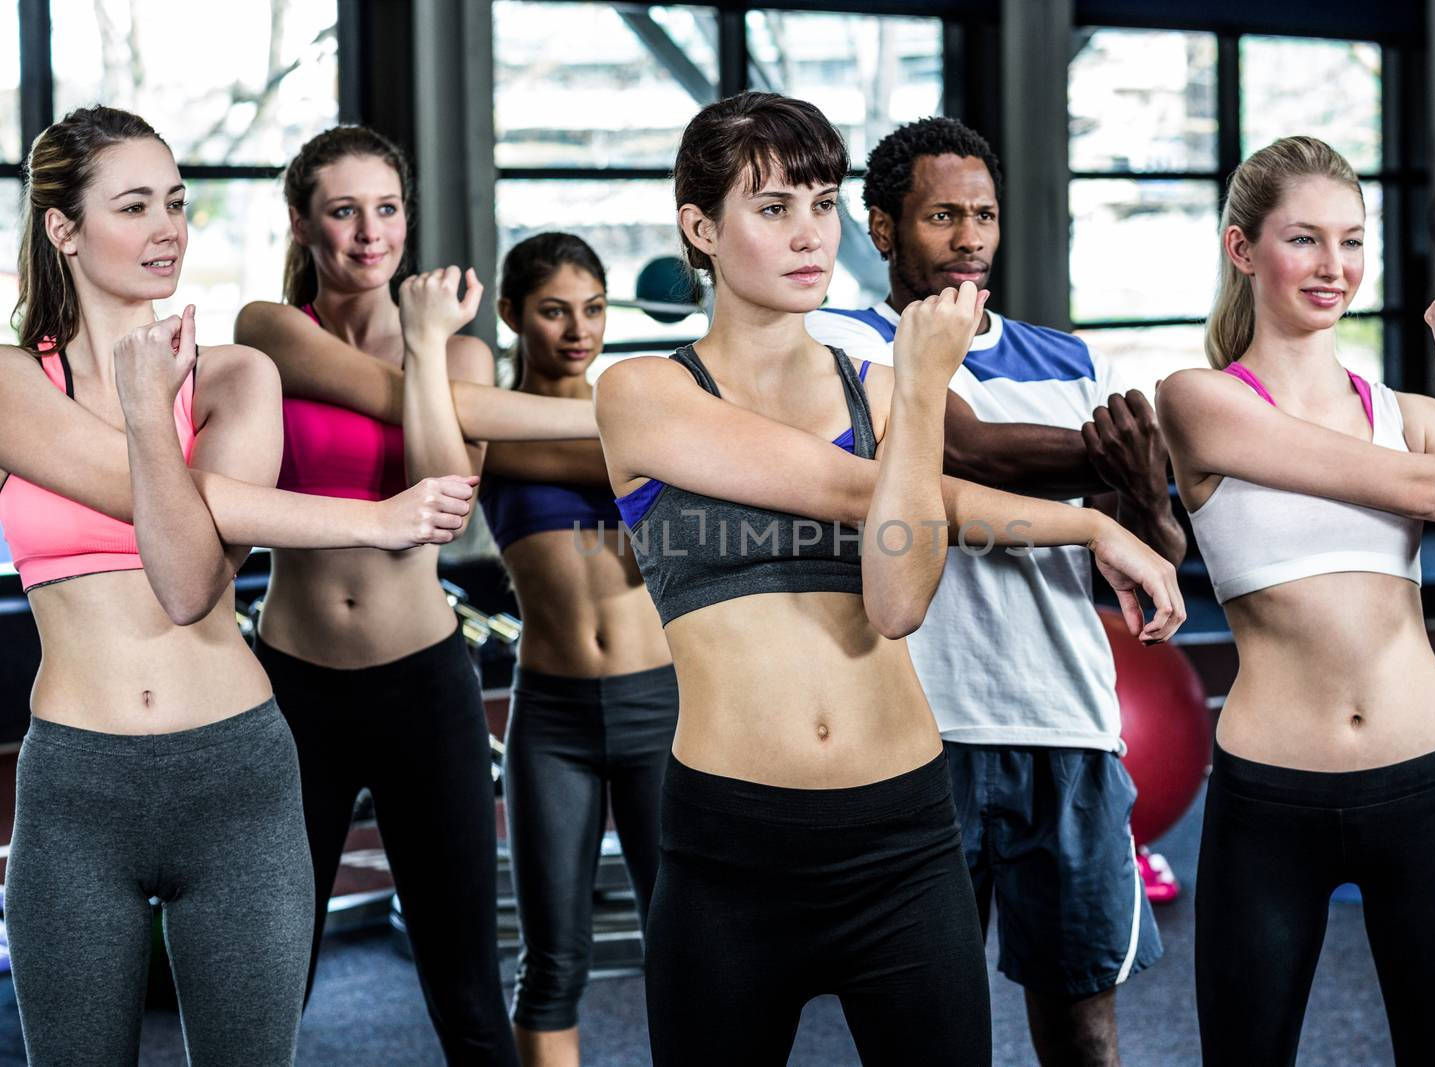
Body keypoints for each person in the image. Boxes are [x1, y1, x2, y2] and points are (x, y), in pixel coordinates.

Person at [594, 90, 1184, 1067]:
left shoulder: (872, 387)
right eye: (773, 207)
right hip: (734, 844)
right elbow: (849, 484)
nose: (808, 234)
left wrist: (1086, 520)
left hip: (902, 833)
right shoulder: (644, 391)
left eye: (821, 204)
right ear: (699, 227)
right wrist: (929, 397)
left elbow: (901, 591)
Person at [0, 106, 473, 1067]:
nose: (168, 227)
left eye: (175, 202)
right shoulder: (10, 382)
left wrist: (151, 416)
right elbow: (171, 497)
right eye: (134, 206)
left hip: (237, 779)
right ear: (64, 227)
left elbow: (185, 580)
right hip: (75, 789)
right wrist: (368, 518)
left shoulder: (238, 377)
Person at [1154, 134, 1435, 1067]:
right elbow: (1428, 490)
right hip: (1270, 798)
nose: (1335, 267)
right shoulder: (1200, 403)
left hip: (1425, 778)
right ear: (1242, 248)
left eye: (1353, 241)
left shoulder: (1419, 418)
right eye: (1305, 239)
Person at [807, 115, 1186, 1067]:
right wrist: (1129, 452)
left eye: (983, 214)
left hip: (1067, 723)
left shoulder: (1071, 360)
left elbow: (1148, 548)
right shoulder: (838, 338)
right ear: (884, 227)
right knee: (927, 1030)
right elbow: (956, 445)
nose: (970, 236)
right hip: (918, 727)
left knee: (1086, 1030)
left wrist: (1143, 485)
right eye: (942, 215)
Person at [233, 126, 593, 1066]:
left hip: (422, 685)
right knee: (271, 975)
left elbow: (443, 500)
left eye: (386, 209)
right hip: (291, 688)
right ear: (302, 222)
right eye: (343, 211)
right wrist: (429, 369)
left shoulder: (462, 356)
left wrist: (433, 346)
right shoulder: (269, 334)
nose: (368, 234)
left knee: (465, 988)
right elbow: (391, 404)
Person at [482, 233, 676, 1067]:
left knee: (687, 949)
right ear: (512, 314)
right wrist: (650, 455)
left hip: (661, 708)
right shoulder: (485, 425)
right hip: (553, 717)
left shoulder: (633, 413)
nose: (577, 329)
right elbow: (601, 455)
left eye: (593, 309)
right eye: (554, 310)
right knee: (554, 959)